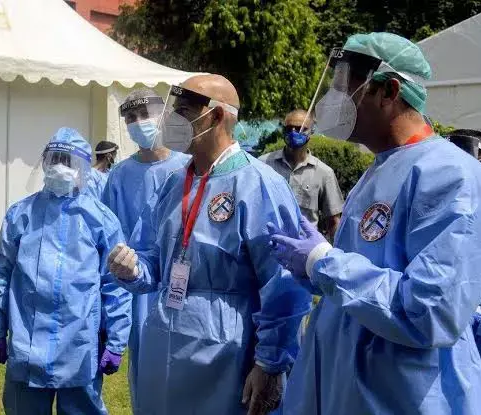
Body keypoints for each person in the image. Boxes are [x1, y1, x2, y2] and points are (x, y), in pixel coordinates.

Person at [268, 33, 481, 414]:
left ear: (388, 91)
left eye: (342, 86)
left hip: (400, 394)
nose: (332, 99)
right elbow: (365, 276)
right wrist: (311, 270)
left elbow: (430, 311)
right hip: (349, 385)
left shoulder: (449, 173)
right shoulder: (381, 168)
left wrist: (323, 262)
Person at [108, 75, 312, 415]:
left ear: (216, 116)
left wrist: (269, 362)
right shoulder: (175, 183)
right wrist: (132, 269)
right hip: (165, 341)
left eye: (184, 111)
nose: (172, 119)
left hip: (227, 353)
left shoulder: (259, 185)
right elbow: (153, 259)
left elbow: (284, 286)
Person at [0, 127, 132, 415]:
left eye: (68, 161)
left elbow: (115, 284)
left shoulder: (101, 219)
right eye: (54, 159)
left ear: (83, 169)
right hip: (27, 344)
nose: (60, 167)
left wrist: (116, 341)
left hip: (79, 347)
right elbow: (2, 274)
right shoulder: (21, 214)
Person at [102, 88, 190, 408]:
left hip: (181, 278)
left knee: (185, 368)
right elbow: (110, 239)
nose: (138, 123)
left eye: (144, 115)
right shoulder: (119, 175)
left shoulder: (187, 167)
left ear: (163, 116)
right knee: (145, 373)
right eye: (131, 118)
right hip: (136, 284)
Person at [260, 110, 344, 240]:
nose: (294, 132)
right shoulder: (263, 165)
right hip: (268, 245)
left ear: (311, 131)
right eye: (289, 128)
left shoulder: (324, 173)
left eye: (300, 128)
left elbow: (333, 222)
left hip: (304, 249)